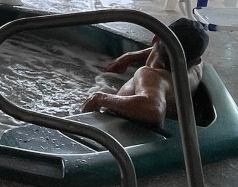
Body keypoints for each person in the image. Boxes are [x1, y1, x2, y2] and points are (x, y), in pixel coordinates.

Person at [81, 18, 210, 128]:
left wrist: (100, 98)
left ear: (154, 39)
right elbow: (178, 52)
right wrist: (131, 56)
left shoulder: (152, 76)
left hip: (127, 131)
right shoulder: (195, 70)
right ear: (196, 60)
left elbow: (154, 110)